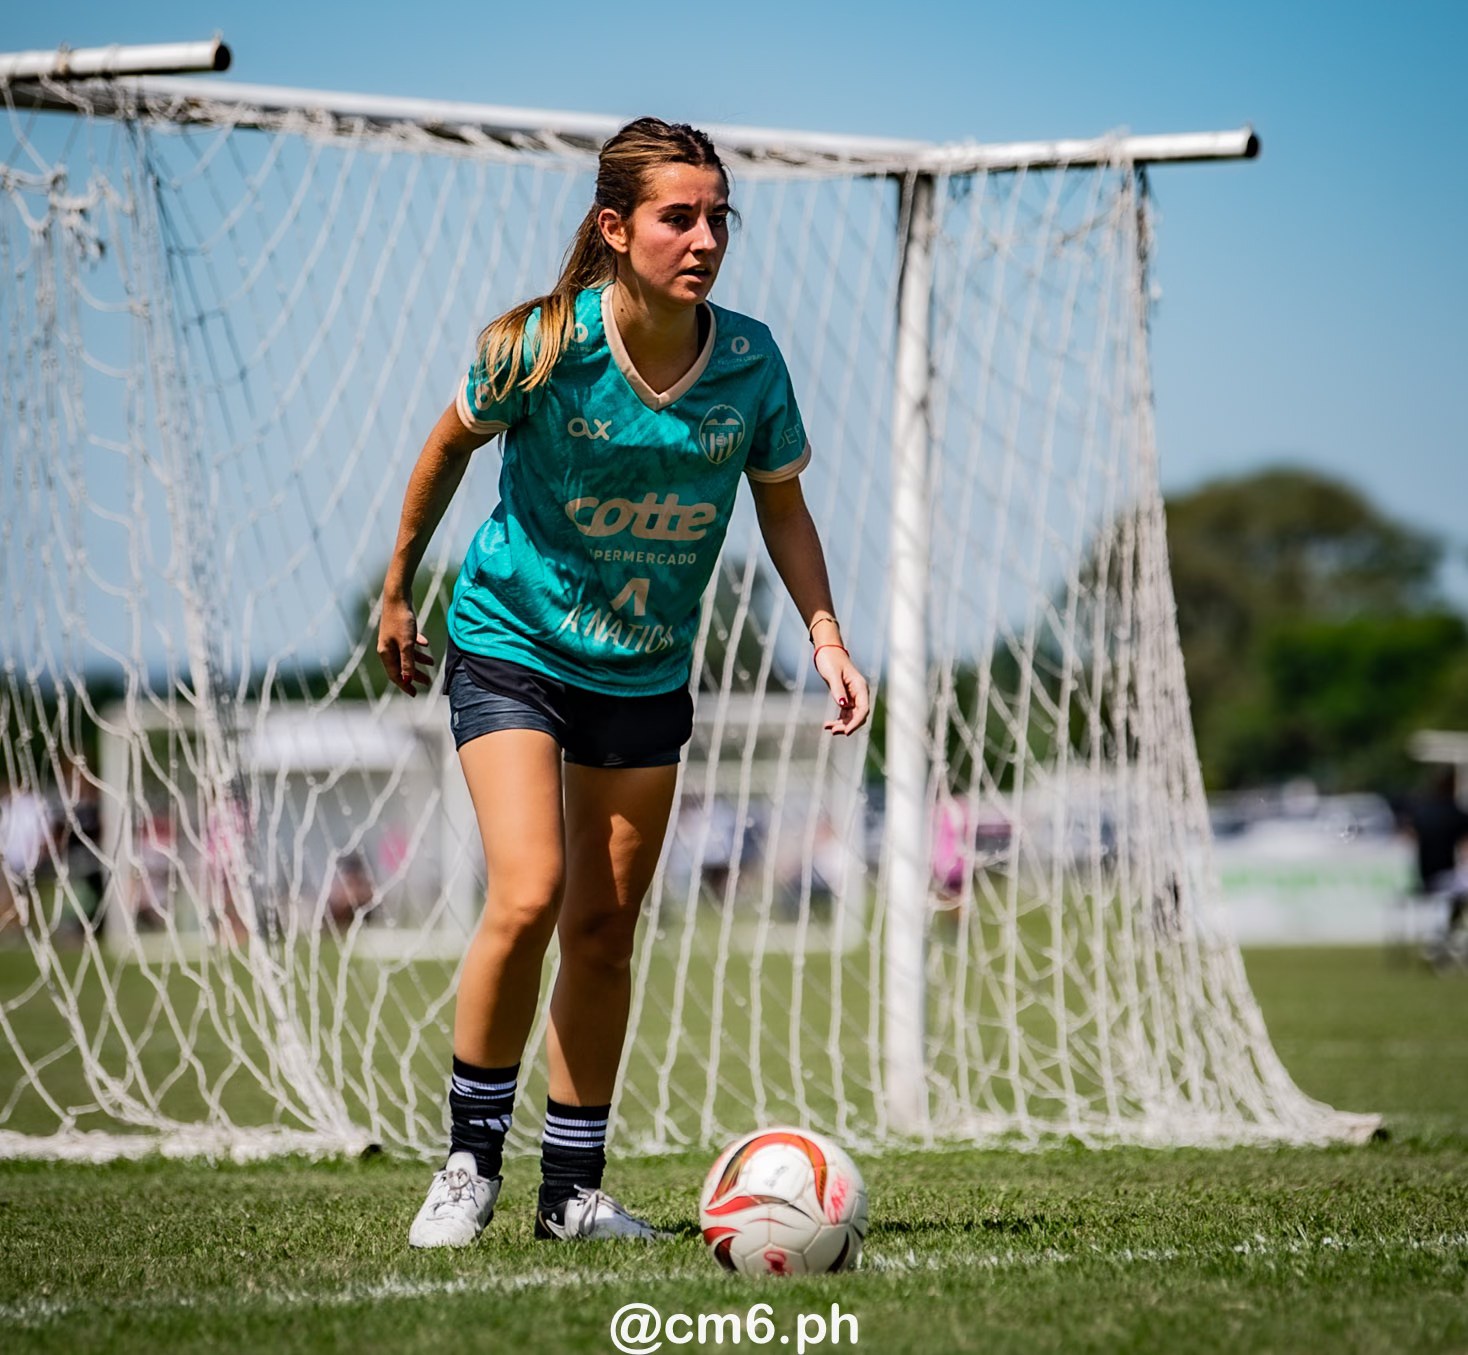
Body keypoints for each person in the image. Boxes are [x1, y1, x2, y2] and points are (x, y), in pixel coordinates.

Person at [377, 117, 869, 1249]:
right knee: (530, 889)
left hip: (644, 672)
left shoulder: (749, 363)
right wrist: (400, 586)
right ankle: (469, 1162)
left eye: (716, 219)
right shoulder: (541, 345)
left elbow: (781, 506)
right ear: (616, 227)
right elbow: (446, 448)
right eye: (677, 217)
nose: (703, 239)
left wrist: (827, 636)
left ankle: (571, 1194)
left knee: (605, 931)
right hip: (511, 645)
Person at [1400, 767, 1468, 963]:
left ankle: (1444, 937)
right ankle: (1443, 938)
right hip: (1445, 874)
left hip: (1424, 875)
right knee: (1458, 894)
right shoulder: (1454, 812)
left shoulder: (1422, 810)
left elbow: (1409, 833)